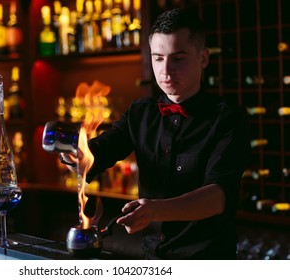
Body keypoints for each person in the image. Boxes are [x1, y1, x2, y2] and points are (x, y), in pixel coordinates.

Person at [60, 8, 250, 259]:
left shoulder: (228, 118)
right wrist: (74, 153)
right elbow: (101, 151)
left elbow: (217, 197)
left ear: (203, 58)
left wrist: (156, 210)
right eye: (158, 58)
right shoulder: (141, 112)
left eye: (178, 58)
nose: (166, 70)